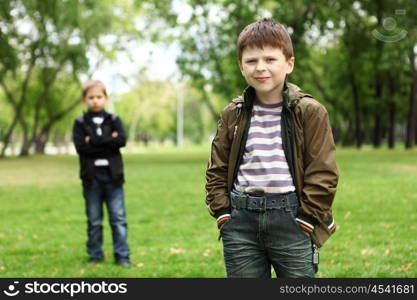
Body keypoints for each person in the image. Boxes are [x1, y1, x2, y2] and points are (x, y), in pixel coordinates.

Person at [205, 18, 339, 278]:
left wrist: (307, 219)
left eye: (270, 59)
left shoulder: (309, 111)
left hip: (292, 220)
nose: (260, 68)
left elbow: (323, 172)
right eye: (251, 61)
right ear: (241, 67)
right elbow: (217, 168)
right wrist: (223, 213)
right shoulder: (233, 113)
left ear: (289, 63)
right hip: (240, 221)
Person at [72, 80, 131, 268]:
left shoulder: (114, 120)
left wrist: (94, 141)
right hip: (91, 177)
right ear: (84, 100)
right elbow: (82, 147)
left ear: (105, 99)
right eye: (91, 97)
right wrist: (107, 141)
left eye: (99, 97)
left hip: (113, 177)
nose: (95, 101)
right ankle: (95, 255)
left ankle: (122, 256)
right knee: (94, 220)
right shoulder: (80, 123)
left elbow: (121, 141)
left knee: (118, 219)